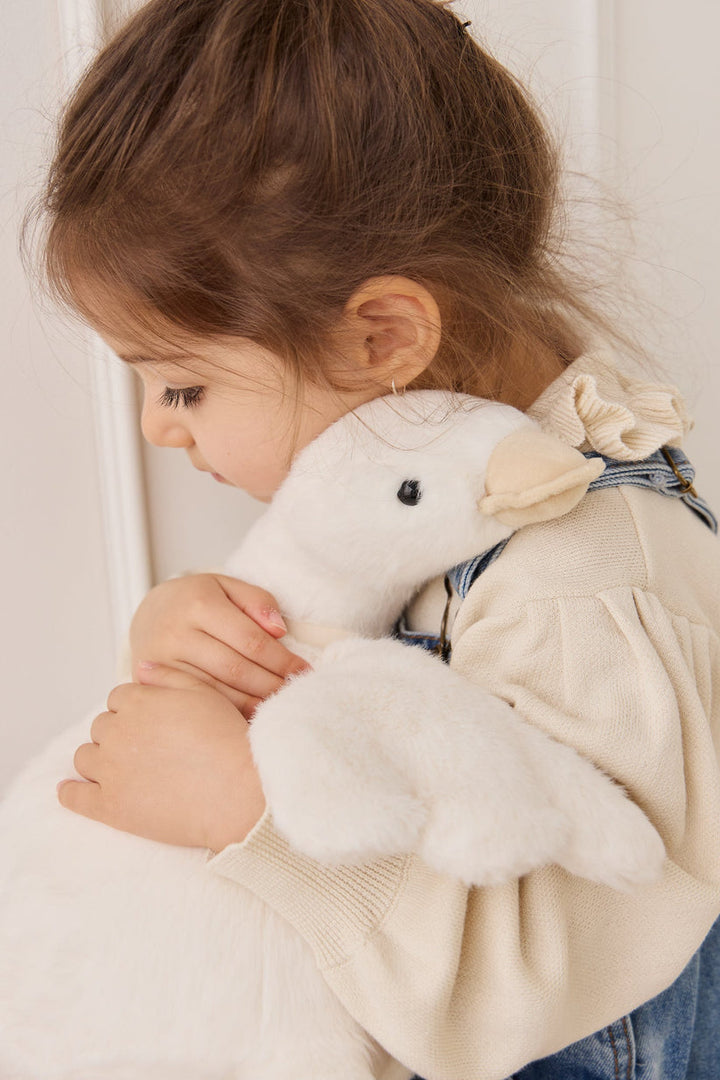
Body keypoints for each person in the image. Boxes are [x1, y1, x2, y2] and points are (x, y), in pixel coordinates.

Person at [35, 0, 720, 1076]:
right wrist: (197, 631)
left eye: (184, 385)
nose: (157, 430)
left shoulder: (579, 586)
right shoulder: (418, 465)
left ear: (385, 337)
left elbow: (544, 969)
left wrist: (246, 808)